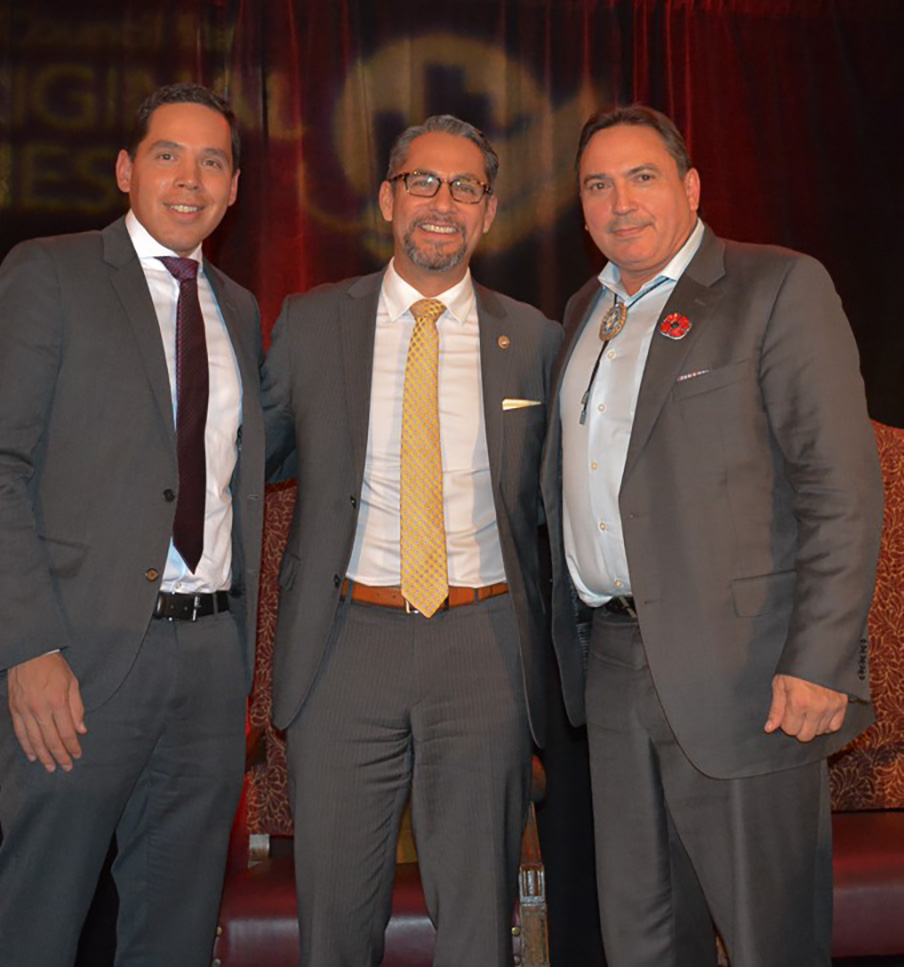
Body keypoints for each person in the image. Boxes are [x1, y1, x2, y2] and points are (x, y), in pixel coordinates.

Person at [542, 104, 884, 966]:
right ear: (581, 210)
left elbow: (840, 489)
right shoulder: (585, 309)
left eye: (643, 176)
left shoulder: (777, 287)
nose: (621, 201)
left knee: (770, 939)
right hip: (613, 666)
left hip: (749, 677)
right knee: (643, 939)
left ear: (691, 187)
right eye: (598, 185)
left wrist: (820, 658)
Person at [0, 83, 264, 967]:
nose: (190, 178)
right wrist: (29, 647)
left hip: (207, 668)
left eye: (213, 161)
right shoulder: (49, 273)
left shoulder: (238, 309)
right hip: (74, 661)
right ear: (127, 169)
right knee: (38, 930)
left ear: (235, 188)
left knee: (173, 935)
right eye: (168, 154)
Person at [262, 114, 563, 966]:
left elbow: (564, 497)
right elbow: (240, 460)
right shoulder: (312, 323)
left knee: (477, 927)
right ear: (389, 198)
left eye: (464, 187)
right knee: (335, 927)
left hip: (484, 644)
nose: (442, 202)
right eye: (422, 182)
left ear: (489, 211)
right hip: (343, 647)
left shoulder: (535, 339)